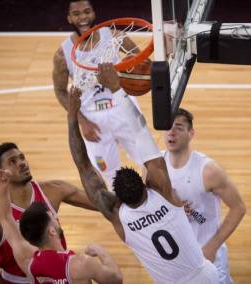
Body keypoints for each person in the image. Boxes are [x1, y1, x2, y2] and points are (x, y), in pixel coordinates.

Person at [66, 71, 220, 284]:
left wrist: (72, 117)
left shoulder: (118, 215)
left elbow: (83, 166)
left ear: (117, 198)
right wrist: (117, 89)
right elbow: (140, 131)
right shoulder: (163, 192)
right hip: (205, 275)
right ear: (145, 183)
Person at [53, 0, 143, 188]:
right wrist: (83, 122)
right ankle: (123, 211)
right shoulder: (63, 54)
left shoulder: (114, 36)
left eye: (86, 12)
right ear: (69, 18)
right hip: (93, 120)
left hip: (123, 107)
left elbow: (141, 61)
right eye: (76, 14)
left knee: (147, 159)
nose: (83, 17)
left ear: (93, 13)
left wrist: (132, 77)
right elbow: (61, 92)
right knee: (109, 174)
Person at [0, 142, 98, 283]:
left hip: (57, 275)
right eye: (12, 162)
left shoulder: (53, 190)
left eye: (22, 157)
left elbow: (100, 203)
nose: (21, 163)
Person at [0, 167, 123, 284]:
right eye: (52, 218)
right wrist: (100, 251)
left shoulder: (27, 260)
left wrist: (1, 185)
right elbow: (116, 279)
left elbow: (5, 218)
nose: (55, 219)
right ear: (52, 231)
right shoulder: (82, 264)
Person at [163, 108, 246, 284]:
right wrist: (171, 206)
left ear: (190, 133)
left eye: (178, 127)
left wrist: (212, 247)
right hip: (176, 259)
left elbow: (238, 208)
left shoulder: (208, 170)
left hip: (207, 256)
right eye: (168, 127)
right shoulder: (155, 168)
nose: (171, 132)